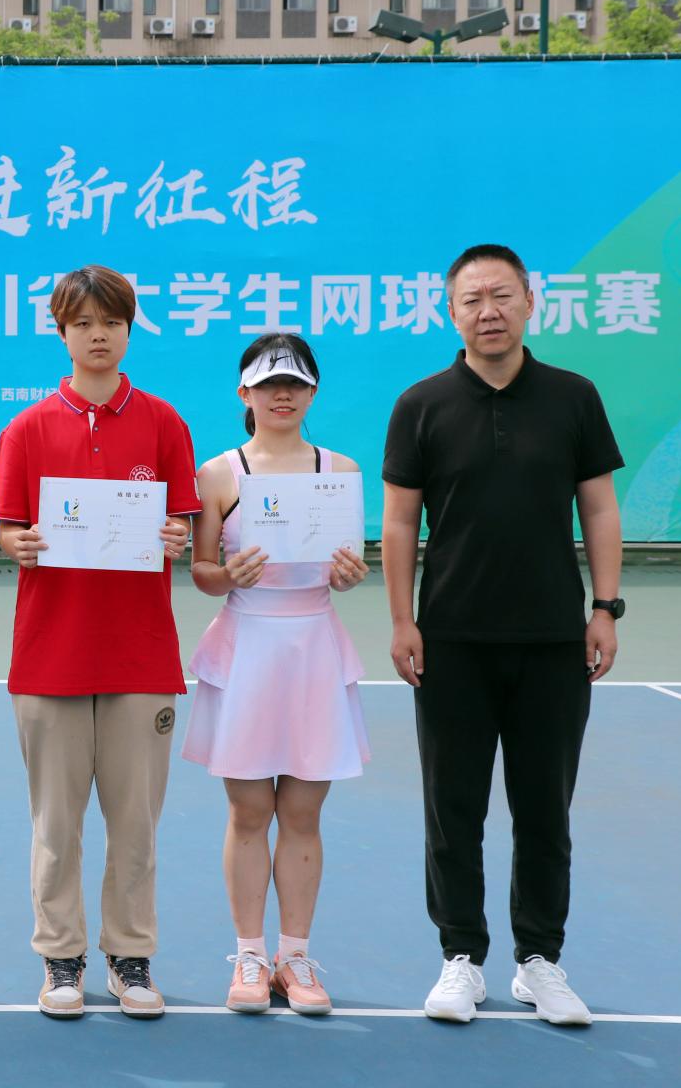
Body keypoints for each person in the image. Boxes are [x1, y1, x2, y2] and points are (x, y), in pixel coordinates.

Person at [382, 244, 624, 1027]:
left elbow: (599, 506)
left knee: (544, 809)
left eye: (501, 296)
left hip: (554, 640)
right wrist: (402, 619)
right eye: (471, 300)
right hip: (450, 640)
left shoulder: (573, 397)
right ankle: (461, 957)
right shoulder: (420, 404)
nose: (488, 312)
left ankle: (539, 961)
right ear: (451, 313)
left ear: (529, 301)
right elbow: (399, 521)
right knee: (453, 808)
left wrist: (604, 607)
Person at [0, 264, 198, 1019]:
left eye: (111, 322)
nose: (98, 335)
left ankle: (131, 956)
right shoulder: (27, 429)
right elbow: (9, 527)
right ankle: (62, 958)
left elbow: (183, 521)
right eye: (83, 323)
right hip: (51, 655)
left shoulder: (165, 423)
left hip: (141, 654)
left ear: (129, 329)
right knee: (57, 826)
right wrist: (16, 543)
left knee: (135, 824)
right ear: (62, 332)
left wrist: (176, 535)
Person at [183, 333, 370, 1016]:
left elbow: (346, 564)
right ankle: (250, 955)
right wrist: (227, 574)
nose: (281, 395)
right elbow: (202, 572)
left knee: (302, 812)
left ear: (312, 393)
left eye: (294, 384)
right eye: (268, 385)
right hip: (247, 647)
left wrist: (348, 576)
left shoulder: (340, 470)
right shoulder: (218, 474)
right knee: (248, 811)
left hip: (314, 645)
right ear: (246, 394)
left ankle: (295, 956)